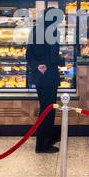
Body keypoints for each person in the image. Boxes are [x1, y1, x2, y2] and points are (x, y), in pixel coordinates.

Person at [26, 8, 64, 154]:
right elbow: (54, 58)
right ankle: (42, 145)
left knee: (44, 108)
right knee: (48, 111)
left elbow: (28, 54)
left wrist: (37, 66)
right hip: (49, 76)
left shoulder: (34, 30)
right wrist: (63, 61)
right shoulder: (54, 32)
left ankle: (48, 138)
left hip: (38, 76)